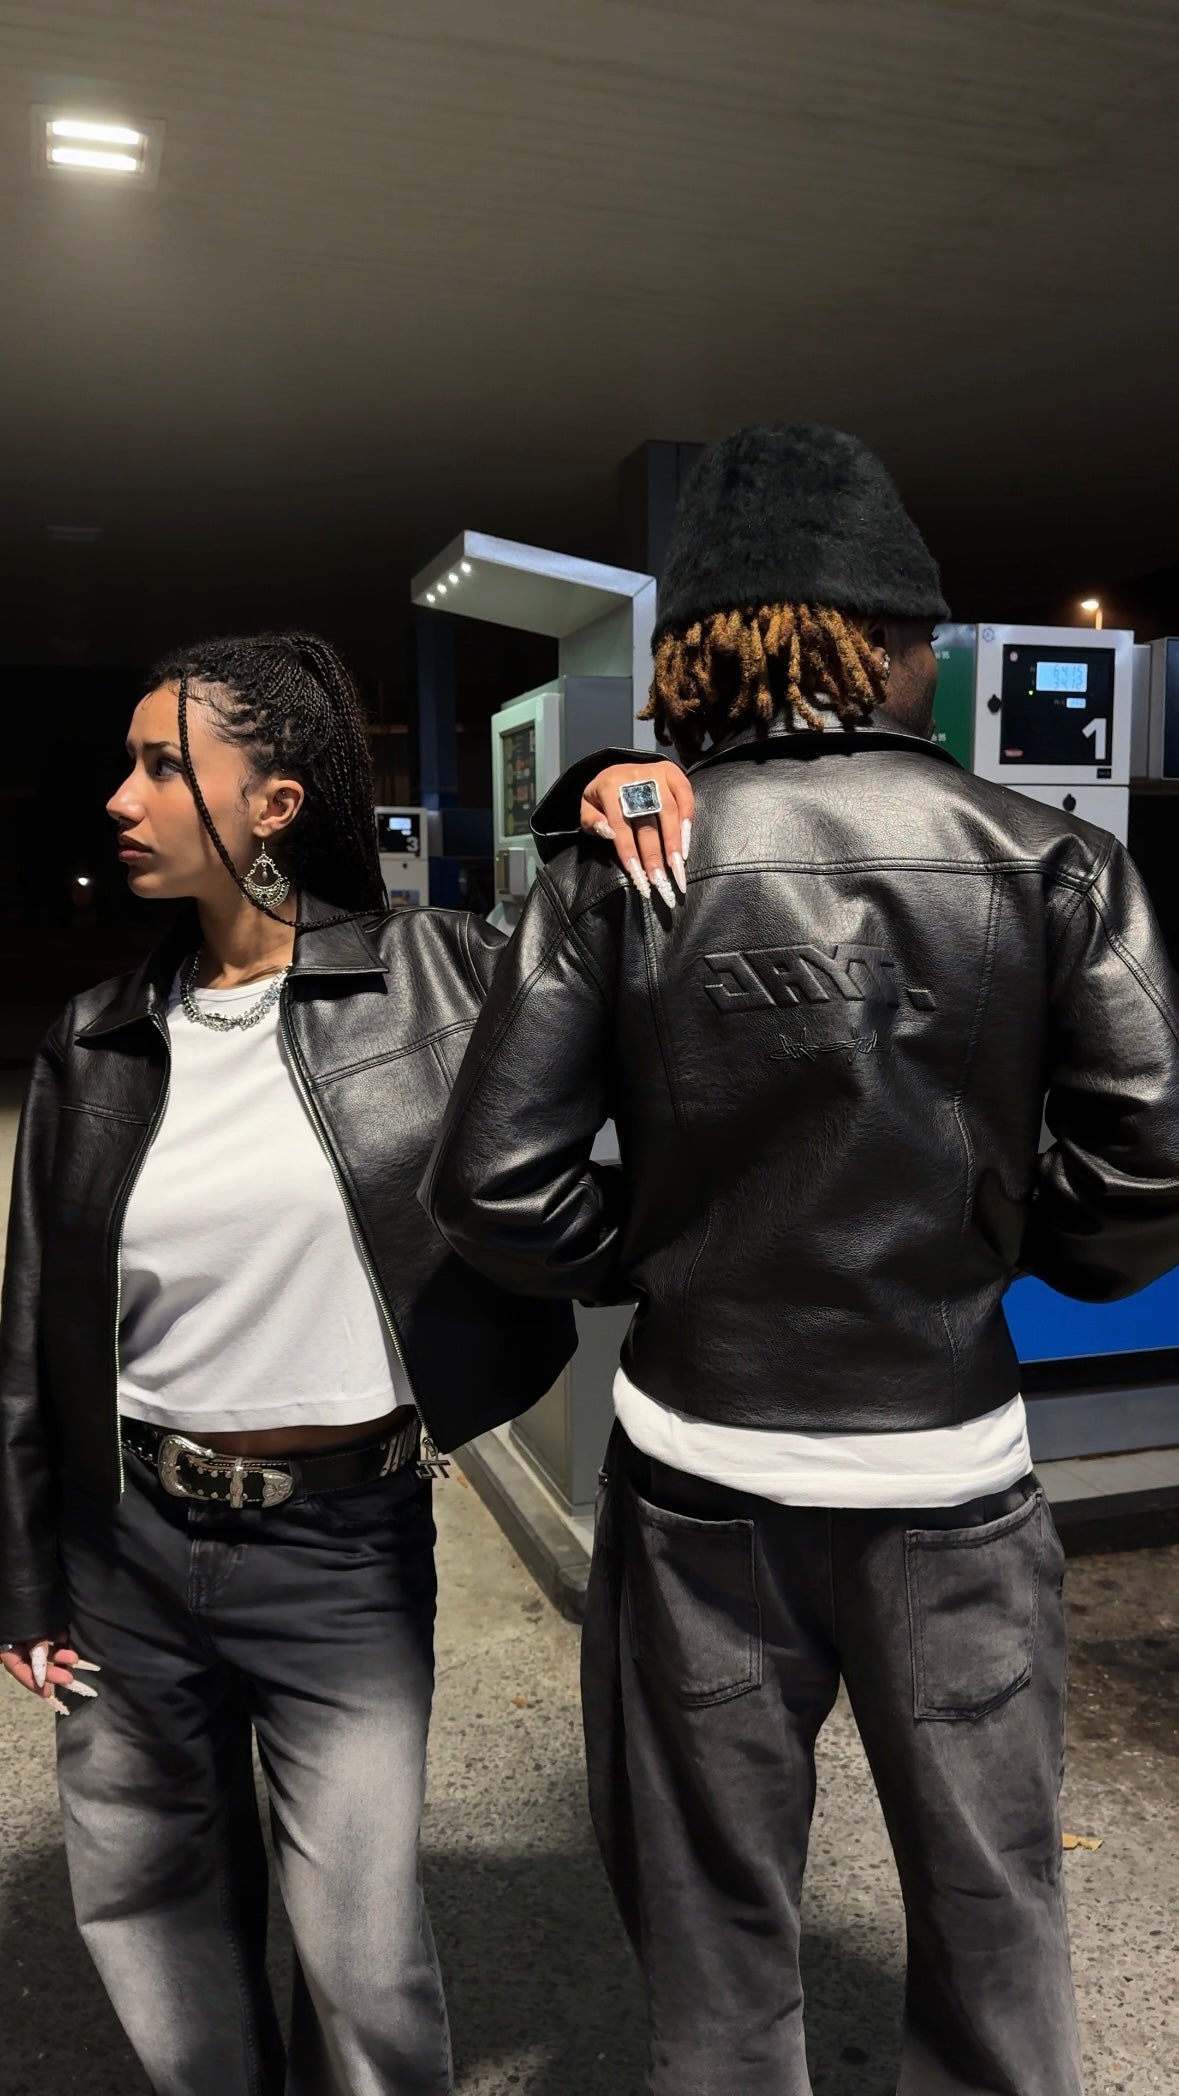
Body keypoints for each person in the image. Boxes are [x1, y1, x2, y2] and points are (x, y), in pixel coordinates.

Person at [422, 425, 1179, 2096]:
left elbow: (494, 1188)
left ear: (704, 649)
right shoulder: (1052, 858)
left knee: (713, 1931)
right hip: (952, 1476)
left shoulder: (619, 871)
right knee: (994, 1919)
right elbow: (1151, 1172)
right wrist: (990, 1249)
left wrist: (670, 1255)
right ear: (885, 640)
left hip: (700, 1481)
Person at [0, 628, 687, 2096]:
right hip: (124, 1547)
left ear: (276, 803)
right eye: (127, 764)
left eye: (163, 766)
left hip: (341, 1549)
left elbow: (600, 932)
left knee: (362, 1958)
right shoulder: (95, 1041)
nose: (121, 797)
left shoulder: (439, 980)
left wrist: (608, 778)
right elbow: (30, 1339)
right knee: (148, 1906)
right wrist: (25, 1578)